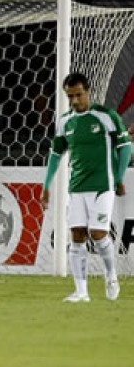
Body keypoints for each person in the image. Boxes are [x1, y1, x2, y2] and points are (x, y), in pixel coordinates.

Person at [41, 73, 131, 302]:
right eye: (70, 96)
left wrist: (119, 178)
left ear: (88, 92)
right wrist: (47, 185)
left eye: (78, 95)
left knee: (98, 235)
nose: (74, 101)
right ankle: (81, 292)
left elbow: (125, 147)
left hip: (102, 185)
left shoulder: (106, 116)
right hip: (76, 187)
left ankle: (111, 275)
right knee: (77, 236)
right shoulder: (65, 122)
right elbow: (55, 154)